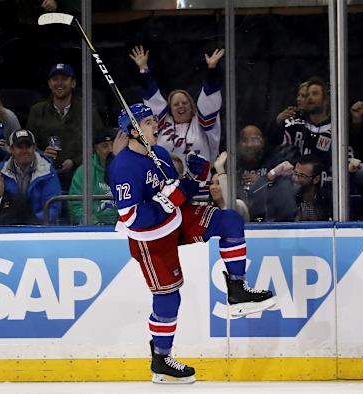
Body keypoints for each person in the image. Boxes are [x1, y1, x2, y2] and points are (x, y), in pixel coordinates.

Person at [109, 103, 276, 384]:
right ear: (133, 130)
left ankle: (237, 289)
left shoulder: (160, 155)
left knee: (230, 221)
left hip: (174, 221)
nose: (156, 125)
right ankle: (162, 359)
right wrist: (169, 199)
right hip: (149, 240)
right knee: (168, 296)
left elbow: (179, 195)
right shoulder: (122, 167)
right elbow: (134, 218)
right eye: (149, 121)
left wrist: (194, 178)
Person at [129, 46, 224, 174]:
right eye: (176, 104)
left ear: (191, 106)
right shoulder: (162, 123)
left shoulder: (201, 124)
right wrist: (143, 68)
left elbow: (209, 99)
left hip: (200, 188)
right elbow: (152, 97)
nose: (181, 106)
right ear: (170, 109)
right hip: (169, 188)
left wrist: (212, 69)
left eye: (184, 103)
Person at [26, 63, 104, 191]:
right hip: (45, 174)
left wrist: (75, 161)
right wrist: (41, 154)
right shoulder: (37, 110)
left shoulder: (87, 109)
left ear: (73, 83)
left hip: (81, 175)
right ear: (49, 84)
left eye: (64, 79)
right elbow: (28, 145)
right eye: (55, 80)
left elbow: (99, 144)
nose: (59, 83)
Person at [0, 129, 62, 223]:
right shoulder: (0, 171)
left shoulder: (47, 171)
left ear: (34, 147)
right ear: (11, 149)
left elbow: (53, 208)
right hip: (8, 226)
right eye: (19, 147)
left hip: (40, 227)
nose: (24, 151)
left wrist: (31, 222)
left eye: (28, 146)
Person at [245, 155, 332, 222]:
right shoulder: (284, 195)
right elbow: (253, 195)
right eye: (295, 173)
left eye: (301, 175)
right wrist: (272, 173)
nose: (295, 178)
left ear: (316, 179)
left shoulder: (327, 200)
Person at [68, 127, 118, 225]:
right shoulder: (84, 171)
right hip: (94, 230)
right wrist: (95, 225)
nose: (111, 150)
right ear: (96, 149)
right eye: (105, 146)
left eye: (113, 145)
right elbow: (76, 206)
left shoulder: (128, 168)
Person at [210, 151, 250, 222]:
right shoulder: (210, 210)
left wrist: (220, 170)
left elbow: (230, 208)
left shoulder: (239, 205)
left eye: (218, 183)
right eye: (211, 183)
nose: (213, 187)